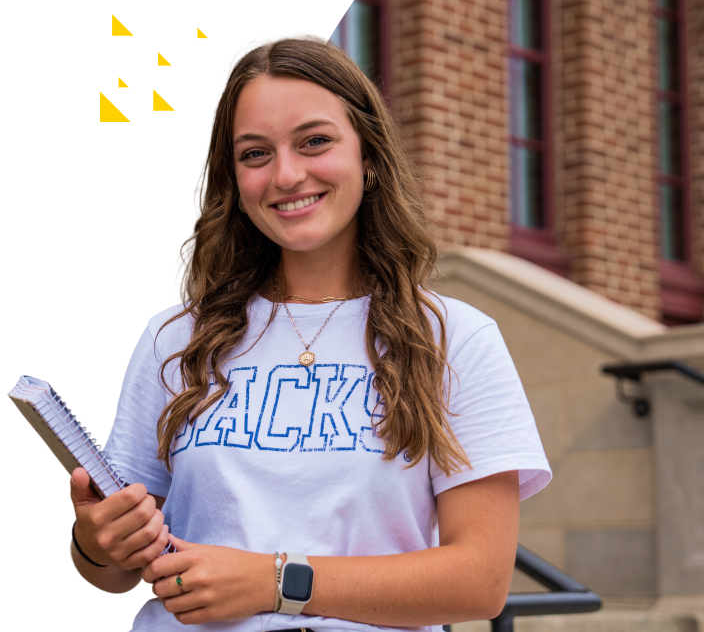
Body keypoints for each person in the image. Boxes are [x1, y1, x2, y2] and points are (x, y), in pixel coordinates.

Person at [68, 31, 552, 632]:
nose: (287, 175)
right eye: (255, 154)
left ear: (368, 156)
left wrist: (274, 582)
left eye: (314, 142)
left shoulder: (455, 338)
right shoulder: (173, 339)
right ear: (234, 179)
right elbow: (114, 573)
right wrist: (96, 544)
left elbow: (478, 583)